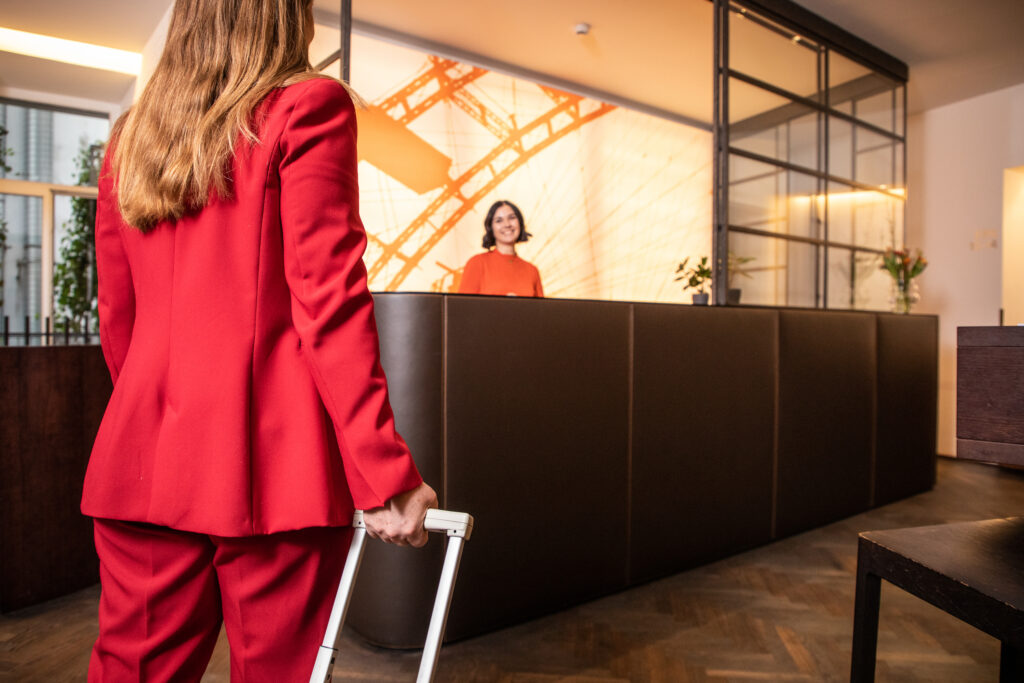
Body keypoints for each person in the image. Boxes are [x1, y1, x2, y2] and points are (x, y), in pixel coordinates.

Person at [80, 0, 437, 680]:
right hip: (272, 469)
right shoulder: (308, 106)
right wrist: (382, 472)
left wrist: (157, 422)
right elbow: (328, 301)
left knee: (132, 670)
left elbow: (118, 317)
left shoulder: (131, 137)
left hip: (143, 458)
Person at [457, 200, 544, 297]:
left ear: (520, 222)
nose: (507, 224)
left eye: (512, 218)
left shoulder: (532, 271)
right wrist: (503, 304)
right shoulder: (477, 263)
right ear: (491, 228)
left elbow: (540, 307)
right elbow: (463, 305)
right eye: (499, 220)